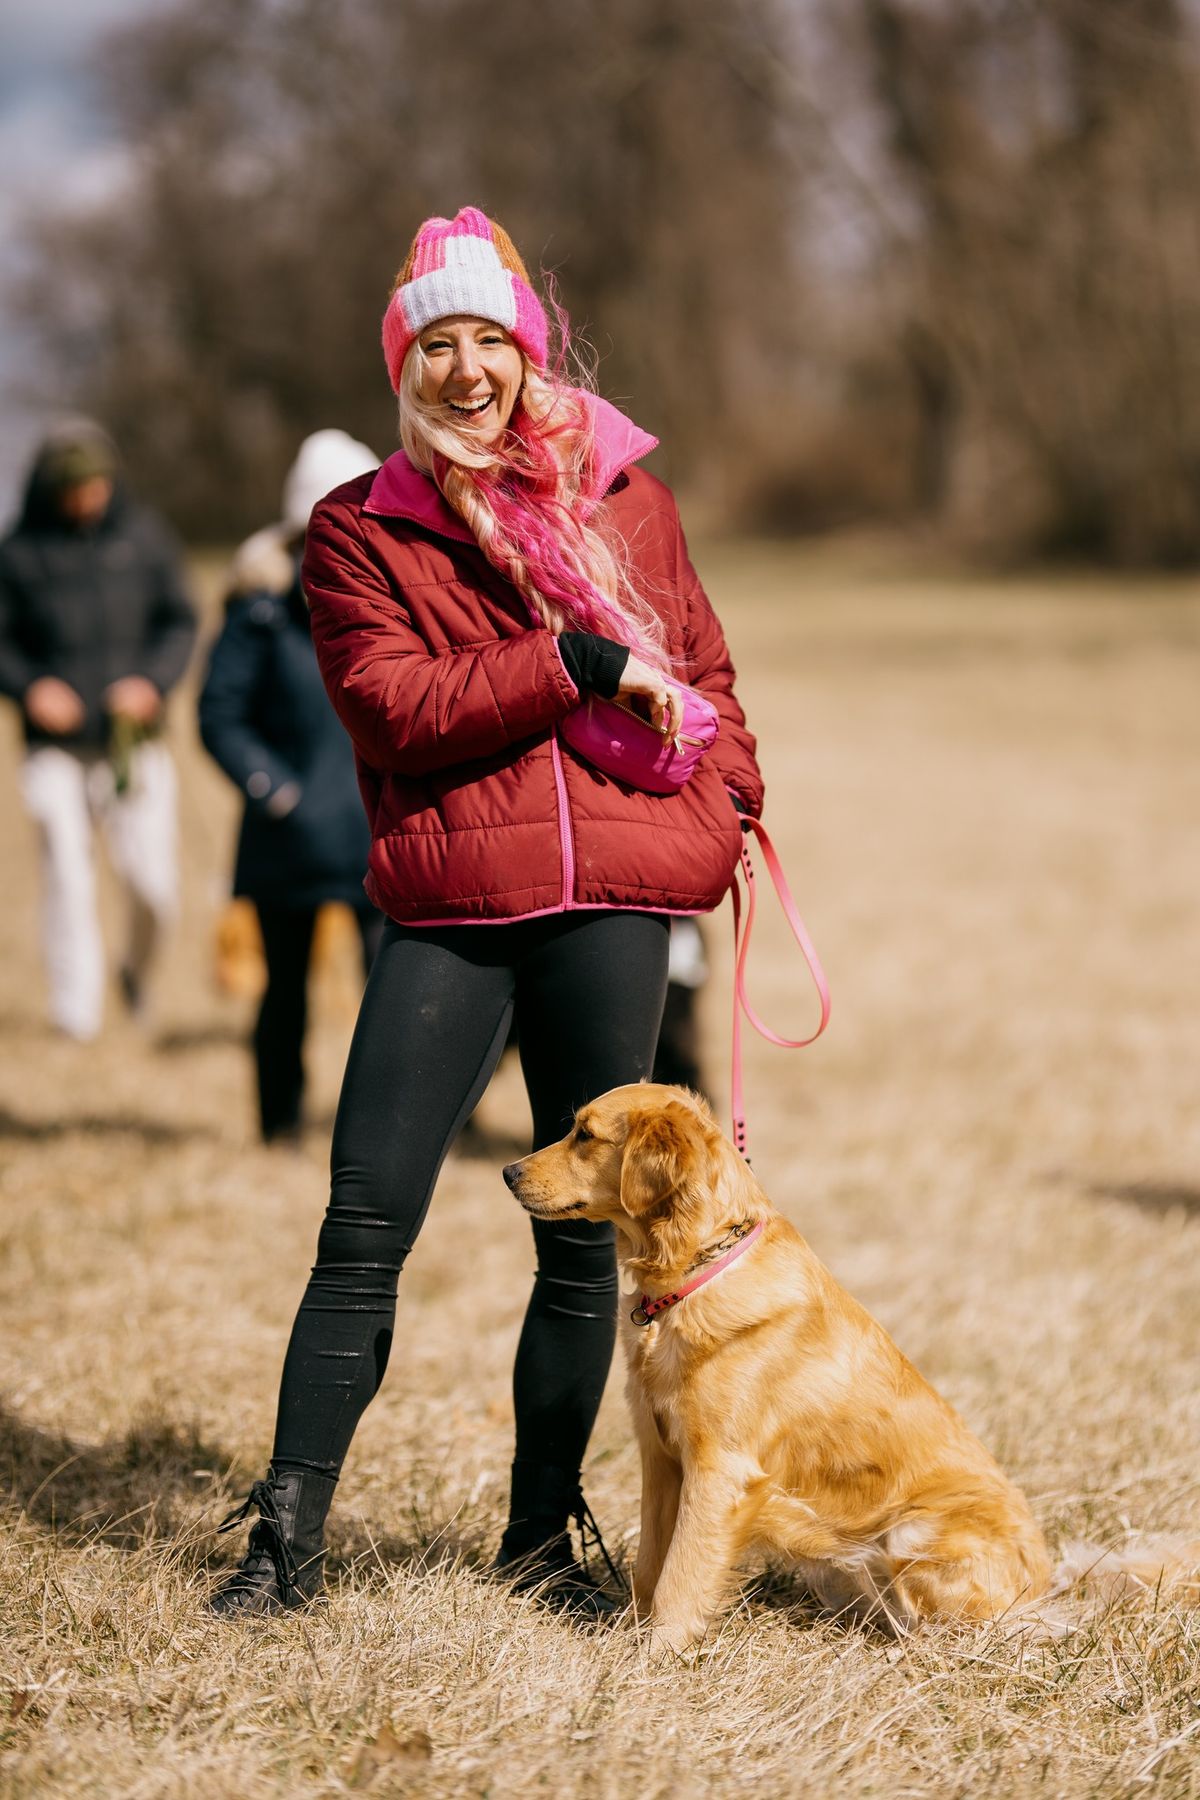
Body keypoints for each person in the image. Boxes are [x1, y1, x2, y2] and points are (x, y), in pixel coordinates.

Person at [211, 206, 764, 1618]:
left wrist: (728, 808)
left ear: (529, 352)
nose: (467, 371)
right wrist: (570, 658)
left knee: (584, 1245)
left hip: (611, 906)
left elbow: (706, 666)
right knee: (365, 1220)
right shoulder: (359, 530)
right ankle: (286, 1543)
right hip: (454, 907)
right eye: (435, 346)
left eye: (489, 342)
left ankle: (536, 1538)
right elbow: (396, 710)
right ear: (403, 369)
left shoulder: (627, 497)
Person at [198, 430, 385, 1143]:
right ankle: (279, 1124)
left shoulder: (394, 595)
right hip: (290, 840)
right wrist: (275, 790)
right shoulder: (260, 608)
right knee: (283, 995)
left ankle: (395, 1129)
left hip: (379, 831)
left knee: (397, 995)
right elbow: (219, 714)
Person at [0, 420, 196, 1040]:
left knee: (153, 882)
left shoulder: (145, 539)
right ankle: (75, 1015)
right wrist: (30, 688)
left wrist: (151, 685)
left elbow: (180, 621)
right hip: (54, 750)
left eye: (97, 485)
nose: (88, 498)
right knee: (66, 873)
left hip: (130, 743)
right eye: (75, 488)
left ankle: (134, 972)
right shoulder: (19, 551)